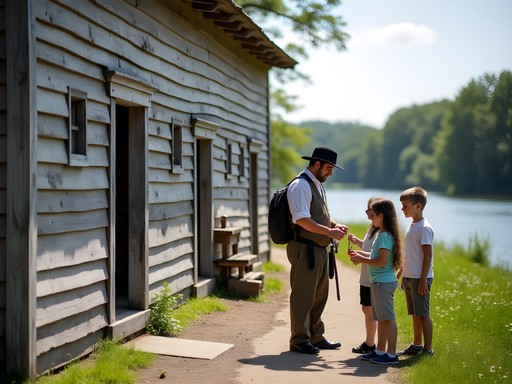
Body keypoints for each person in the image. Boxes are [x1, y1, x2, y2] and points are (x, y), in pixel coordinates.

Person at [286, 146, 348, 354]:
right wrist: (330, 233)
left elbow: (319, 215)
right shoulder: (300, 186)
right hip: (304, 249)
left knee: (319, 296)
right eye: (329, 168)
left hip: (318, 249)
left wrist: (334, 225)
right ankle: (299, 340)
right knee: (303, 296)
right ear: (317, 164)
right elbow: (302, 219)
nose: (331, 173)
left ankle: (315, 336)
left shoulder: (317, 184)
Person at [348, 198, 403, 365]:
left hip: (383, 283)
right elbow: (375, 256)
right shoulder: (382, 233)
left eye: (373, 214)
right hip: (378, 282)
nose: (370, 216)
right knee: (381, 318)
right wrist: (360, 255)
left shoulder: (385, 236)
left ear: (382, 215)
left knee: (388, 319)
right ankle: (380, 351)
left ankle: (391, 355)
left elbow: (381, 262)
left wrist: (362, 259)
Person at [398, 186, 435, 356]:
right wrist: (402, 274)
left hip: (421, 279)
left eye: (405, 206)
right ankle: (416, 345)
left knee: (423, 314)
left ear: (418, 206)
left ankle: (428, 349)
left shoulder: (424, 228)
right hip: (410, 277)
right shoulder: (412, 224)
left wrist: (422, 281)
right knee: (414, 313)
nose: (402, 209)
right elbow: (409, 252)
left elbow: (427, 256)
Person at [347, 197, 382, 354]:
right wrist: (357, 242)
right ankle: (370, 343)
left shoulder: (381, 231)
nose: (368, 214)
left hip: (373, 277)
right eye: (368, 211)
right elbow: (368, 247)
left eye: (371, 211)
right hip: (366, 277)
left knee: (372, 311)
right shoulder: (371, 228)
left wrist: (360, 255)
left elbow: (377, 255)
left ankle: (372, 344)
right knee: (366, 309)